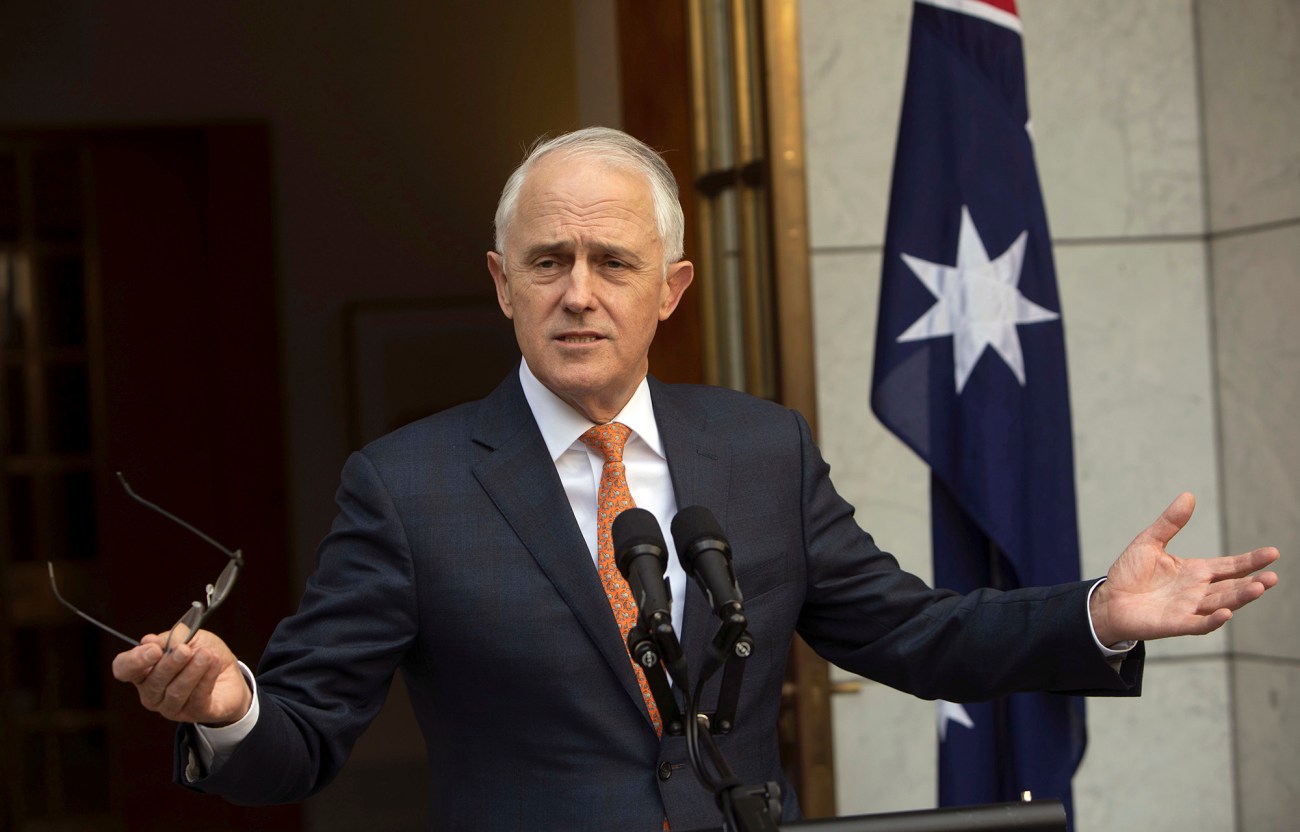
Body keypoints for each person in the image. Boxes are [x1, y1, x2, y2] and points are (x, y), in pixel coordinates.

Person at [111, 127, 1279, 831]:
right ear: (500, 284)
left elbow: (915, 634)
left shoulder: (759, 450)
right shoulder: (405, 487)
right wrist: (231, 708)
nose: (579, 291)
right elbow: (304, 739)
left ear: (668, 287)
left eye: (611, 261)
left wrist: (1096, 615)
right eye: (547, 261)